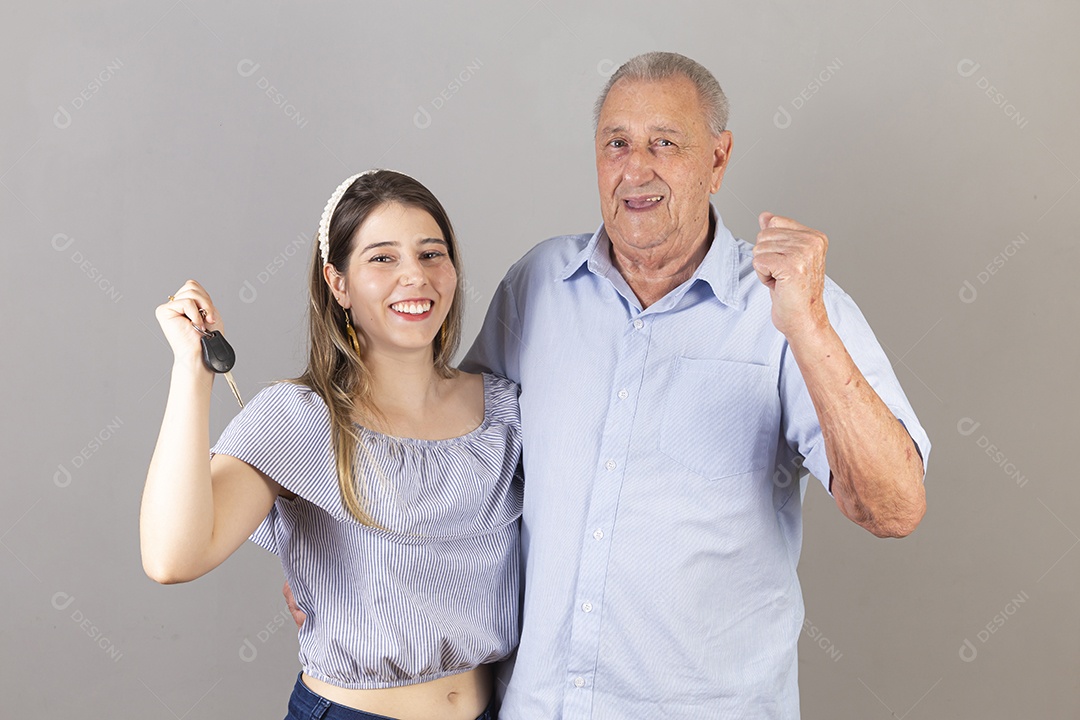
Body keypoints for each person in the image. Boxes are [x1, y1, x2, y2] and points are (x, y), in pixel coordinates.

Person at [457, 52, 931, 718]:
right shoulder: (536, 285)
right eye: (617, 143)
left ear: (717, 158)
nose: (636, 169)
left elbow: (894, 508)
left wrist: (809, 326)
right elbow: (459, 467)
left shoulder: (790, 308)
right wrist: (352, 569)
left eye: (665, 144)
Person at [140, 169, 523, 720]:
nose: (415, 276)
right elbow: (171, 557)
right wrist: (190, 371)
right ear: (337, 282)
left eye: (431, 254)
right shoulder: (299, 417)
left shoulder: (508, 411)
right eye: (382, 258)